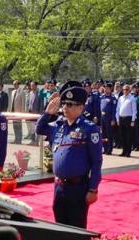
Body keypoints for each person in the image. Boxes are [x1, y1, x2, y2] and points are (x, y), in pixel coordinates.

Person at [36, 83, 102, 229]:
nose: (65, 107)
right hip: (59, 187)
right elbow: (39, 129)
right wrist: (48, 113)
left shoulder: (90, 129)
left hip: (78, 187)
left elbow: (96, 162)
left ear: (81, 107)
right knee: (60, 226)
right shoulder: (58, 125)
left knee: (76, 227)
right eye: (64, 104)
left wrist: (93, 189)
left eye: (70, 104)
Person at [115, 84, 137, 157]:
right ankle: (124, 151)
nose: (125, 91)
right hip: (121, 118)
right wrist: (117, 119)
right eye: (124, 89)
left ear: (129, 90)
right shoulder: (120, 98)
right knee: (122, 136)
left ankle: (128, 152)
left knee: (128, 136)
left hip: (129, 119)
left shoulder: (132, 98)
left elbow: (134, 110)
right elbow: (118, 109)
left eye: (127, 89)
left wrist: (133, 121)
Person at [100, 82, 117, 155]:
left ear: (110, 89)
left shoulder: (113, 98)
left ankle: (110, 149)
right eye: (105, 88)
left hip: (109, 117)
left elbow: (114, 109)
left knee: (109, 134)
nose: (106, 89)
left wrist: (113, 119)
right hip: (102, 117)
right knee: (103, 134)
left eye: (107, 88)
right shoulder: (102, 97)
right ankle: (105, 148)